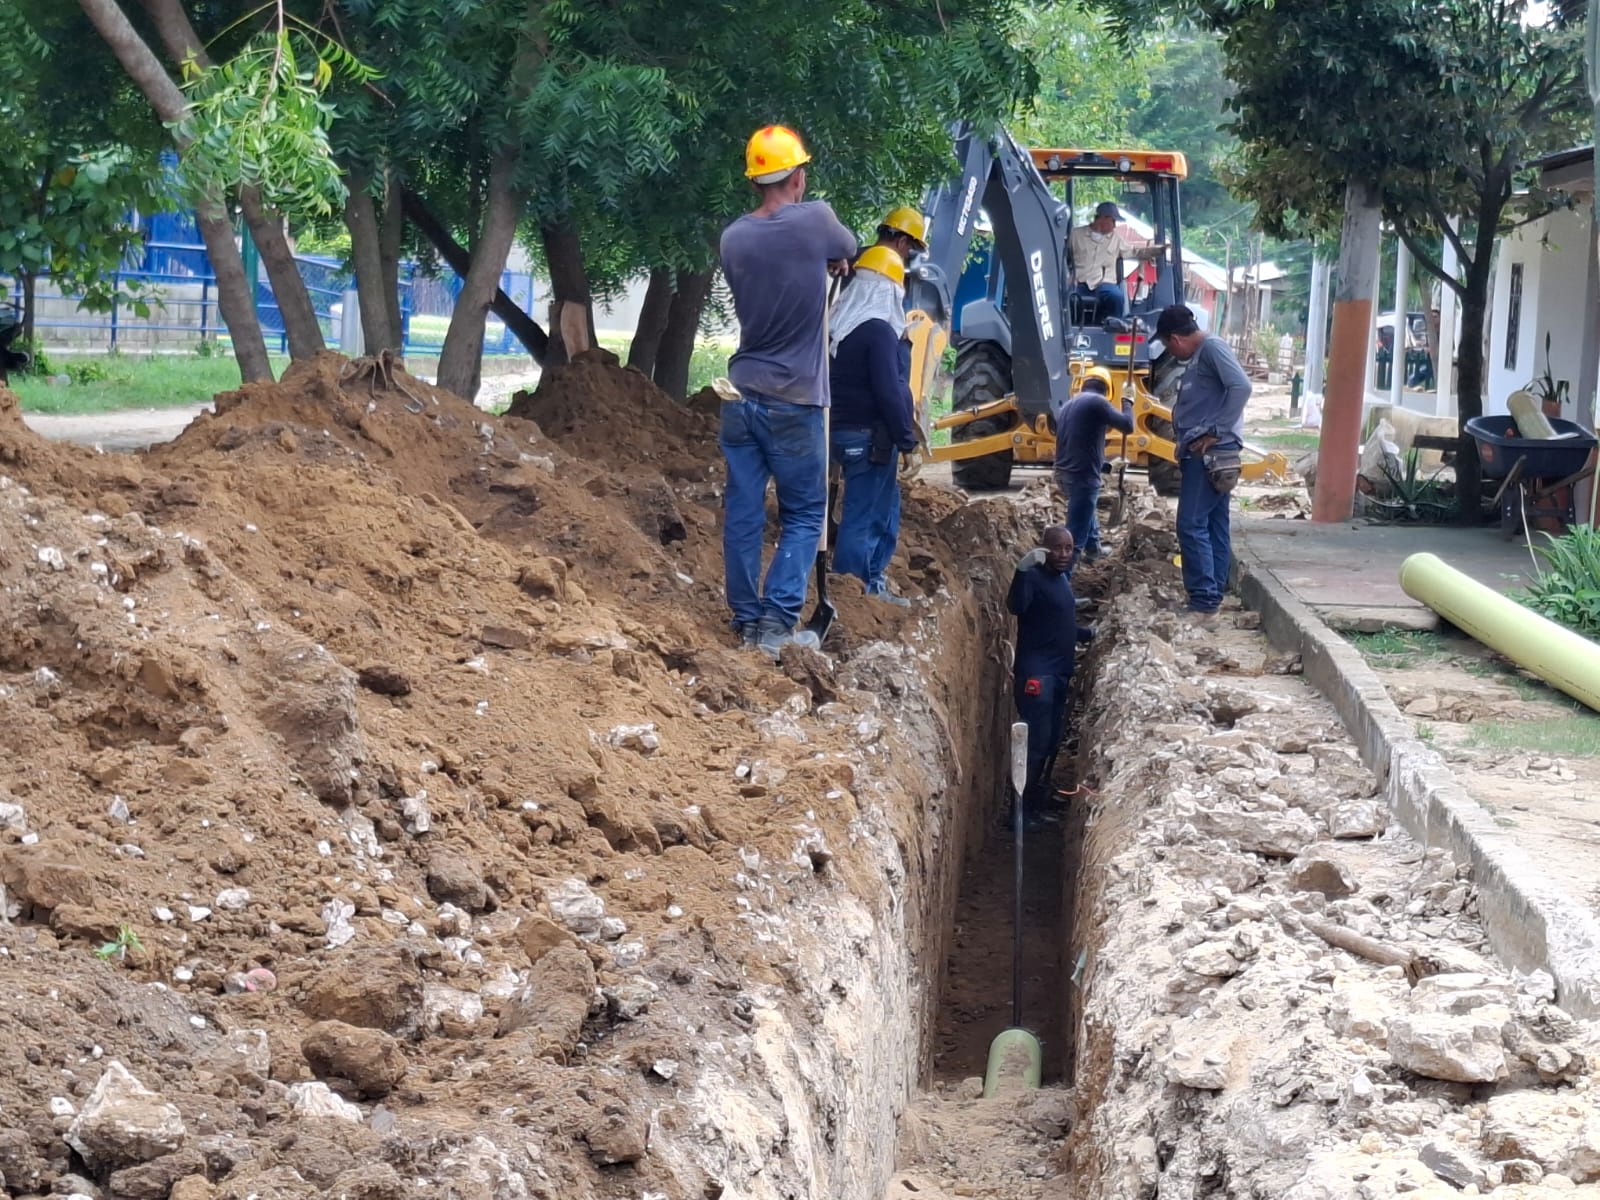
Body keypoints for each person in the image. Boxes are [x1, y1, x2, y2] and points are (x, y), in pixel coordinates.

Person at [719, 125, 858, 655]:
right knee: (803, 512)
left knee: (745, 510)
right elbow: (846, 247)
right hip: (796, 399)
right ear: (798, 177)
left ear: (756, 180)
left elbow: (780, 267)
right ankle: (776, 625)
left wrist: (813, 262)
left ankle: (745, 618)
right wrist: (832, 259)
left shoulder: (734, 238)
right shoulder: (817, 220)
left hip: (741, 391)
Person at [827, 245, 918, 605]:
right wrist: (907, 440)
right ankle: (853, 594)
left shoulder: (839, 326)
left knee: (872, 509)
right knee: (862, 516)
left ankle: (868, 584)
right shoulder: (879, 330)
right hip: (869, 438)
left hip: (839, 431)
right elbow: (888, 389)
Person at [1153, 303, 1252, 616]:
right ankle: (1214, 593)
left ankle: (1204, 602)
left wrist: (1217, 430)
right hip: (1209, 454)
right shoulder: (1203, 355)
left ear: (1175, 339)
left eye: (1168, 346)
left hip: (1211, 455)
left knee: (1191, 524)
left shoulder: (1212, 349)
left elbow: (1241, 386)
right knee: (1213, 523)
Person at [1008, 527, 1095, 804]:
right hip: (1038, 676)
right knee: (1035, 744)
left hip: (1057, 673)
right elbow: (1016, 606)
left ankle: (1037, 799)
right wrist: (1020, 572)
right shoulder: (1033, 579)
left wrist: (1089, 633)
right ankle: (1020, 812)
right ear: (1043, 549)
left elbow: (1060, 625)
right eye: (1057, 548)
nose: (1064, 554)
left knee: (1050, 740)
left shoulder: (1060, 580)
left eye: (1069, 548)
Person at [1053, 366, 1134, 569]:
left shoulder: (1069, 405)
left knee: (1088, 510)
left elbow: (1080, 444)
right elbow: (1127, 425)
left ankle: (1094, 549)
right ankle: (1062, 588)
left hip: (1065, 474)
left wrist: (1105, 466)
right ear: (1107, 390)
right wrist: (1128, 402)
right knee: (1074, 537)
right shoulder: (1098, 402)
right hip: (1082, 478)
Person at [1068, 201, 1162, 320]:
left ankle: (1114, 327)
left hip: (1104, 284)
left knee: (1116, 296)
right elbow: (1061, 259)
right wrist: (1068, 277)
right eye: (1113, 221)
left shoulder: (1116, 239)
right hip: (1079, 282)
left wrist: (1158, 251)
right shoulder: (1075, 235)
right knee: (1063, 296)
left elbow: (1135, 252)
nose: (1115, 225)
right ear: (1103, 218)